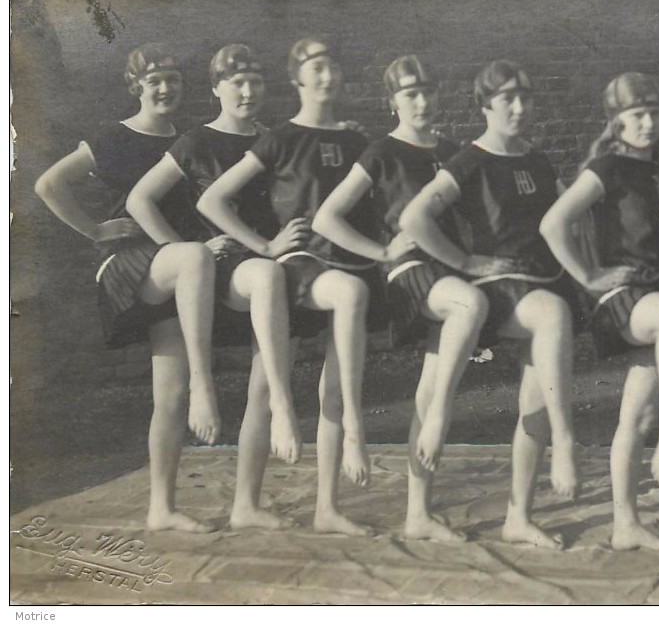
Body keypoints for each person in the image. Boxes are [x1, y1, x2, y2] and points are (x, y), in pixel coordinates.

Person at [34, 43, 220, 532]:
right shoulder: (113, 138)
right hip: (130, 265)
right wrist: (95, 230)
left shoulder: (190, 138)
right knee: (194, 257)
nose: (165, 88)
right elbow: (48, 185)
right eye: (154, 80)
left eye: (173, 79)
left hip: (177, 271)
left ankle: (162, 507)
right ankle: (208, 381)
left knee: (170, 395)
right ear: (135, 85)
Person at [198, 37, 374, 535]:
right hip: (298, 265)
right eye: (315, 67)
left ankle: (327, 508)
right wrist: (265, 245)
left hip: (345, 264)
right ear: (297, 79)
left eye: (333, 65)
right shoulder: (278, 139)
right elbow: (213, 201)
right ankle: (246, 502)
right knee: (264, 385)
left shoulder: (360, 140)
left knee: (335, 385)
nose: (327, 76)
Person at [400, 59, 578, 549]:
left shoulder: (538, 161)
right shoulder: (470, 161)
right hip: (489, 287)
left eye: (526, 99)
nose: (519, 109)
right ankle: (419, 510)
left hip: (535, 284)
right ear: (485, 106)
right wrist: (463, 259)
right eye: (507, 100)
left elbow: (569, 213)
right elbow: (414, 218)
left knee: (541, 378)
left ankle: (519, 515)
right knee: (433, 393)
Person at [126, 44, 304, 530]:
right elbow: (140, 199)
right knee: (176, 389)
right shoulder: (195, 142)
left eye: (256, 83)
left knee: (265, 374)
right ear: (216, 89)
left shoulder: (273, 140)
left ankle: (247, 503)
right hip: (218, 269)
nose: (247, 92)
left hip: (262, 266)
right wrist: (180, 245)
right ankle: (163, 504)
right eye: (236, 83)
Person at [313, 55, 489, 541]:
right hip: (409, 275)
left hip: (448, 269)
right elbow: (327, 218)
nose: (422, 101)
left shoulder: (453, 152)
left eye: (428, 90)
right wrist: (381, 252)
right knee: (468, 309)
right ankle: (434, 422)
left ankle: (418, 514)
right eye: (410, 93)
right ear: (392, 101)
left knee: (432, 387)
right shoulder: (380, 153)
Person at [540, 73, 659, 552]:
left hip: (655, 296)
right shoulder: (607, 167)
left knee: (636, 414)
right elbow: (554, 223)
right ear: (616, 122)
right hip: (622, 298)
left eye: (654, 115)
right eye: (636, 116)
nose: (647, 124)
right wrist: (587, 276)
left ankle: (625, 523)